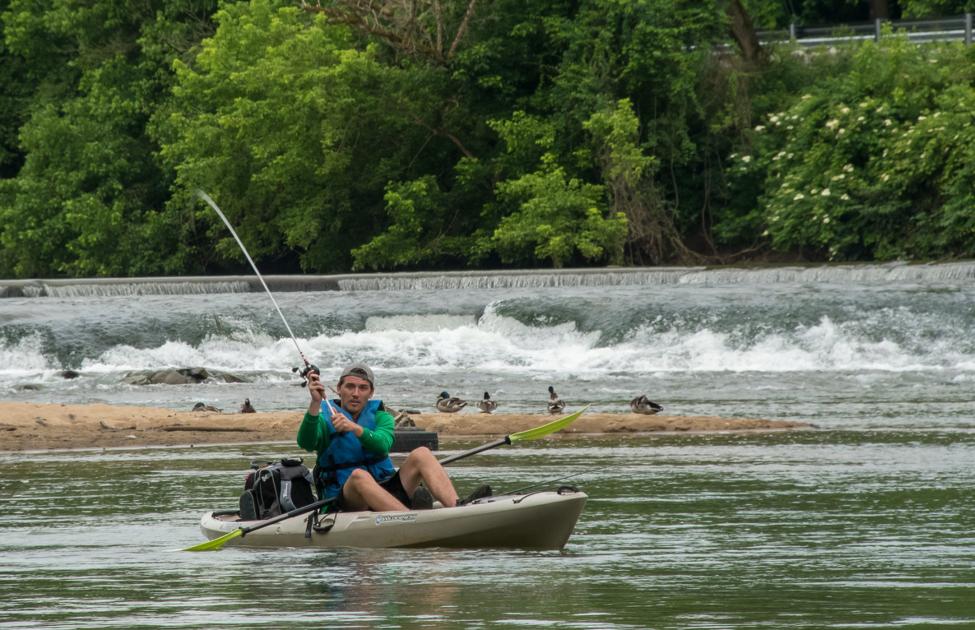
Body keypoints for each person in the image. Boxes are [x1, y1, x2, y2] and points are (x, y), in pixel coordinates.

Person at [297, 363, 460, 511]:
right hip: (346, 499)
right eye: (350, 387)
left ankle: (458, 507)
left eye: (362, 388)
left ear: (371, 392)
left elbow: (383, 445)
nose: (355, 393)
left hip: (386, 488)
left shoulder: (382, 417)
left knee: (422, 453)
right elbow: (306, 442)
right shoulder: (325, 419)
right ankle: (408, 519)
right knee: (359, 475)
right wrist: (315, 403)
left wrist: (354, 428)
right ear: (339, 389)